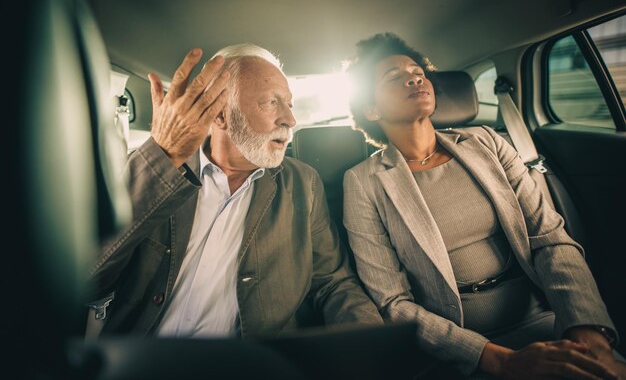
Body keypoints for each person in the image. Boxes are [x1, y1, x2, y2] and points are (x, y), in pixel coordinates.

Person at [342, 32, 626, 380]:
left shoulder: (488, 142)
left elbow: (549, 238)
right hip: (456, 348)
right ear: (371, 109)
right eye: (393, 77)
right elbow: (392, 303)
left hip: (545, 318)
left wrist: (588, 332)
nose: (414, 77)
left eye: (417, 70)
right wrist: (497, 360)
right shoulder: (363, 181)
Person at [85, 43, 383, 339]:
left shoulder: (303, 182)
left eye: (289, 104)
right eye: (271, 103)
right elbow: (86, 281)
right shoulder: (150, 173)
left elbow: (333, 283)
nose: (290, 121)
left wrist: (369, 344)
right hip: (144, 361)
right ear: (220, 116)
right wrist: (163, 158)